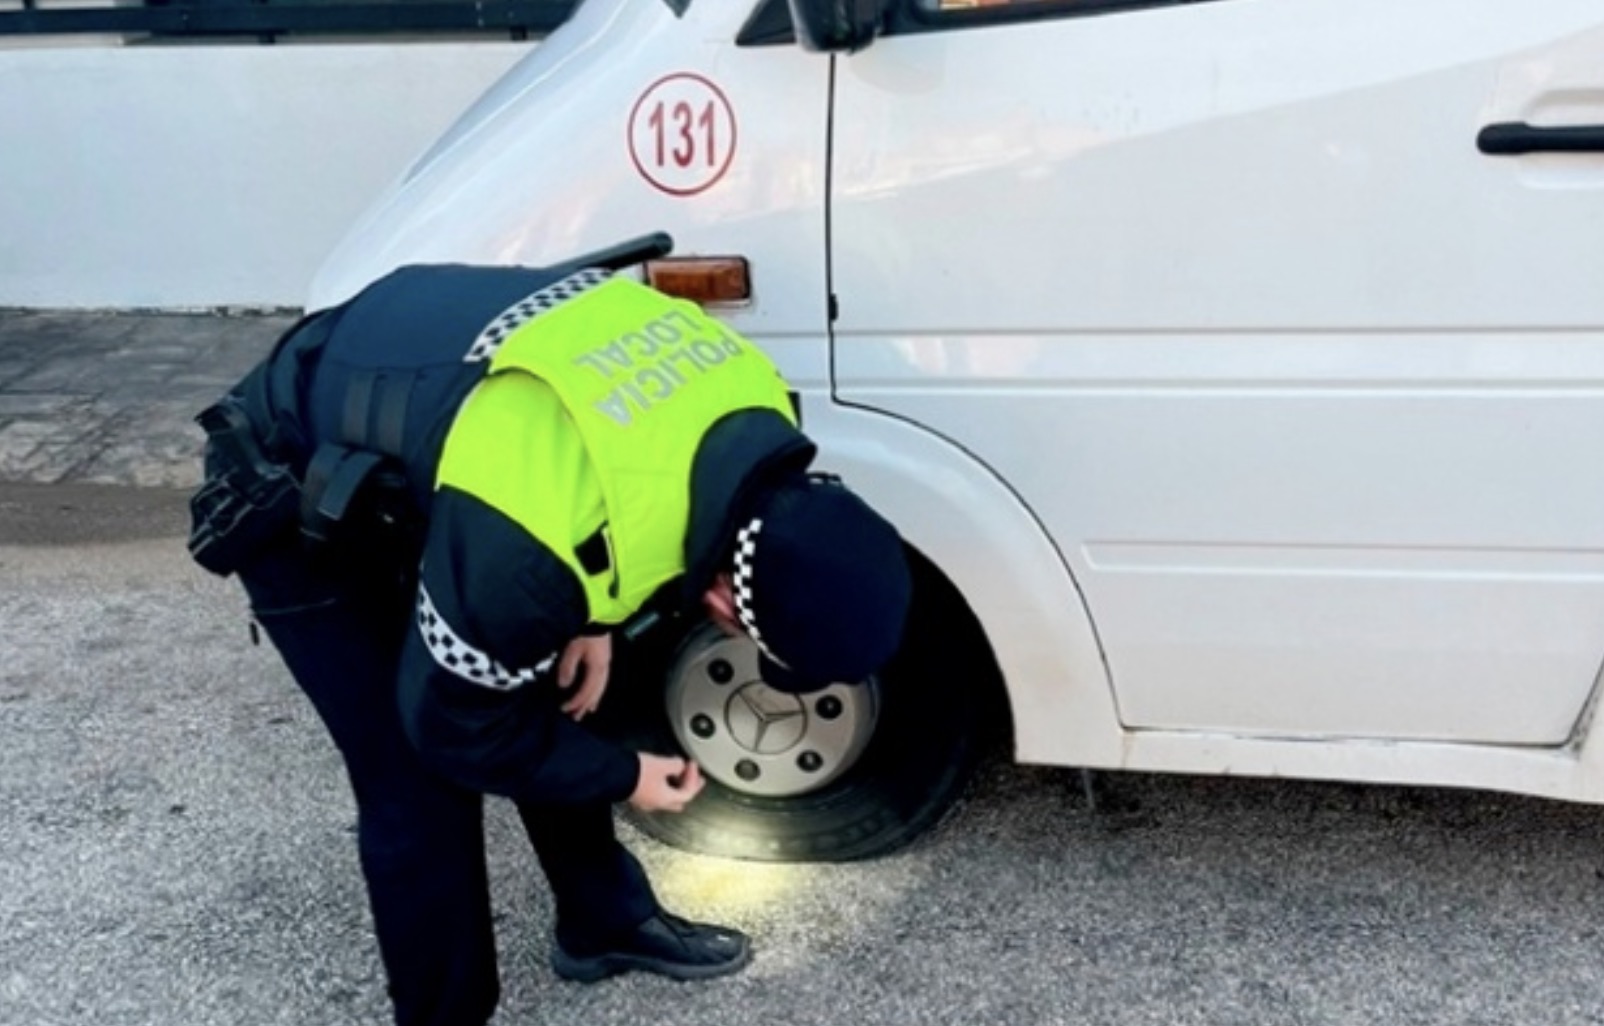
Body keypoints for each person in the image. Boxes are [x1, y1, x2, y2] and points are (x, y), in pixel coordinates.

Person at [187, 248, 913, 1026]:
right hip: (294, 469)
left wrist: (593, 620)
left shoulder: (759, 408)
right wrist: (624, 773)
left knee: (559, 691)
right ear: (727, 603)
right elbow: (451, 726)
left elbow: (617, 493)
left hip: (449, 446)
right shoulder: (533, 555)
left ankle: (603, 923)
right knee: (413, 775)